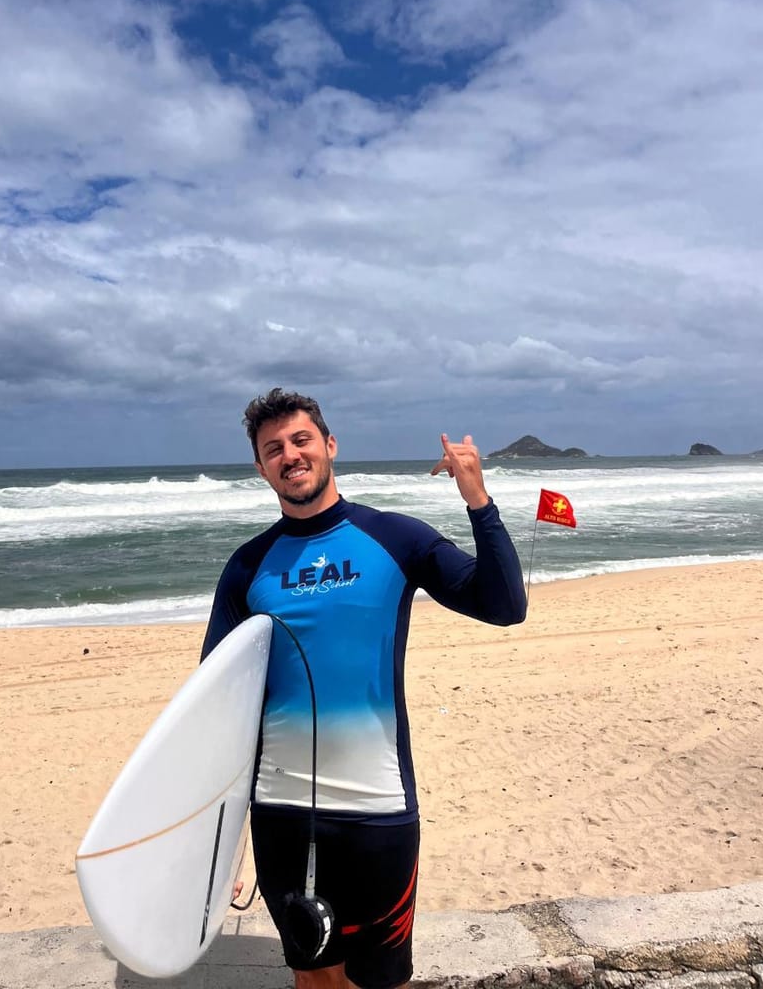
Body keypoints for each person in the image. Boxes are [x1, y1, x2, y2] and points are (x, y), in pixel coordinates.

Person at [201, 388, 526, 989]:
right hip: (282, 812)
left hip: (378, 809)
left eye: (301, 440)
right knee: (315, 981)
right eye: (273, 448)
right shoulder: (248, 567)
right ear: (260, 466)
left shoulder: (396, 539)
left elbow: (504, 605)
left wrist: (477, 499)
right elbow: (219, 705)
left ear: (329, 445)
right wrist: (225, 841)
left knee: (383, 982)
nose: (290, 456)